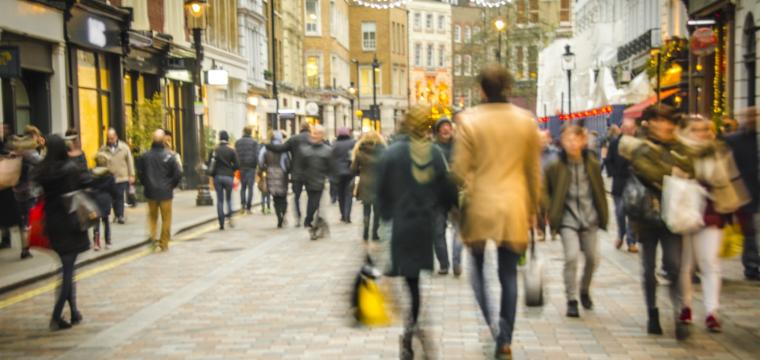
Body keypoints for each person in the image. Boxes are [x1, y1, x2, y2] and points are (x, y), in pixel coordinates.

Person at [451, 64, 541, 358]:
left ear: (480, 90)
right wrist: (534, 208)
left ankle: (491, 323)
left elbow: (460, 169)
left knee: (477, 268)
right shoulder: (526, 121)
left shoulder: (469, 120)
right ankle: (505, 338)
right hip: (514, 205)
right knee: (508, 276)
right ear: (509, 89)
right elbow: (533, 171)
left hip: (481, 204)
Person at [375, 104, 457, 359]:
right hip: (423, 225)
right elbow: (447, 188)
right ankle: (411, 329)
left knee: (406, 281)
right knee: (414, 283)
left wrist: (386, 217)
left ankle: (410, 330)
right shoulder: (432, 152)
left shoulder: (391, 153)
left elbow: (380, 193)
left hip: (400, 225)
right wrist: (449, 209)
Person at [619, 104, 693, 340]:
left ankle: (679, 313)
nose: (665, 126)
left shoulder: (680, 146)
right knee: (648, 268)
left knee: (673, 265)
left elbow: (691, 168)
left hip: (673, 214)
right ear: (648, 123)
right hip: (646, 215)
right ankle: (652, 312)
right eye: (659, 121)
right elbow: (649, 172)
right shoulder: (640, 146)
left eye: (669, 122)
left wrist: (672, 170)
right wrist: (672, 170)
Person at [677, 114, 749, 333]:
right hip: (683, 213)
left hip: (711, 212)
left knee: (710, 263)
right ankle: (685, 306)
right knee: (685, 265)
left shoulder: (719, 152)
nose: (702, 133)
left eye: (705, 129)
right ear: (687, 132)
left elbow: (730, 181)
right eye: (696, 129)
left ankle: (711, 312)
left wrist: (737, 209)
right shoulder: (678, 152)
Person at [544, 125, 608, 318]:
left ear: (583, 141)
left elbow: (599, 189)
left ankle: (584, 289)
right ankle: (571, 299)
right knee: (571, 257)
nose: (571, 143)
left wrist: (603, 214)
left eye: (575, 139)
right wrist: (550, 209)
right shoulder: (556, 165)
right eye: (567, 139)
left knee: (592, 258)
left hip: (589, 218)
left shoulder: (592, 164)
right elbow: (545, 190)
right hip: (567, 219)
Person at [32, 135, 91, 331]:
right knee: (67, 271)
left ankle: (74, 311)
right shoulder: (70, 168)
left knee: (68, 267)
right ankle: (56, 316)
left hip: (52, 222)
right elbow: (85, 181)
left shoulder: (43, 169)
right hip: (70, 221)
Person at [725, 107, 760, 280]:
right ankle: (752, 266)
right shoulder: (734, 140)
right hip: (743, 191)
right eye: (752, 116)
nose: (755, 119)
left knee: (751, 232)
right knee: (749, 232)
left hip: (751, 191)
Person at [137, 130, 181, 251]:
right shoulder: (169, 156)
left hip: (151, 192)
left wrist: (146, 184)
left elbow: (140, 173)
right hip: (166, 192)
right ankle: (164, 243)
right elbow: (177, 174)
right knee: (166, 218)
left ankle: (153, 238)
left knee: (152, 217)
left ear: (152, 139)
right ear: (163, 140)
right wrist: (171, 185)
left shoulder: (145, 156)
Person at [432, 116, 464, 276]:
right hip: (437, 196)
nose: (446, 130)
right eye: (442, 128)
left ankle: (456, 262)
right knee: (438, 232)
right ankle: (444, 264)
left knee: (459, 230)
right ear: (437, 131)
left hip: (457, 194)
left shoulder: (460, 147)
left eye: (448, 127)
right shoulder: (431, 149)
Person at [266, 122, 312, 226]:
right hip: (310, 173)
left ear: (300, 128)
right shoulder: (313, 138)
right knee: (311, 196)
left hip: (297, 173)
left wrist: (267, 145)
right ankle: (309, 219)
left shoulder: (294, 139)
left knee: (296, 197)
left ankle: (298, 218)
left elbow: (280, 148)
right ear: (309, 128)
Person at [604, 118, 639, 252]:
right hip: (619, 182)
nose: (628, 131)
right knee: (620, 212)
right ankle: (621, 234)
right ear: (622, 129)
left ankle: (631, 241)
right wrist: (613, 173)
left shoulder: (638, 144)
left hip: (634, 183)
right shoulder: (614, 143)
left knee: (633, 213)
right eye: (626, 129)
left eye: (631, 129)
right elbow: (608, 160)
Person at [295, 125, 333, 239]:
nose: (314, 135)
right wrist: (299, 178)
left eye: (317, 133)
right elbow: (300, 165)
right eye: (313, 133)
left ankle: (310, 222)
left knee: (315, 203)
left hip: (320, 181)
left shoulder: (327, 151)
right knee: (313, 203)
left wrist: (331, 177)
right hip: (308, 180)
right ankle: (314, 224)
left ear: (322, 135)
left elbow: (331, 166)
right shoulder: (305, 150)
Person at [351, 130, 386, 241]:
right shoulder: (384, 151)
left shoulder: (360, 151)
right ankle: (375, 232)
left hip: (365, 182)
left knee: (366, 209)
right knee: (377, 210)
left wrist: (360, 171)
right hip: (379, 183)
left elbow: (353, 169)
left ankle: (365, 232)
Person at [98, 129, 135, 224]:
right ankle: (117, 214)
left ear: (116, 137)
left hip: (122, 176)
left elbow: (130, 161)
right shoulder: (103, 148)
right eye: (108, 138)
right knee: (113, 196)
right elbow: (100, 162)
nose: (110, 140)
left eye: (112, 138)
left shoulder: (124, 147)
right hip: (110, 177)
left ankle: (120, 216)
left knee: (119, 196)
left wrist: (132, 175)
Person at [259, 131, 290, 227]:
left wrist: (263, 168)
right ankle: (283, 213)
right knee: (283, 197)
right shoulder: (284, 148)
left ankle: (278, 217)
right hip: (282, 174)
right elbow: (287, 162)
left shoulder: (265, 148)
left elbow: (260, 160)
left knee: (275, 198)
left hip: (270, 173)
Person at [209, 131, 239, 230]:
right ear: (227, 139)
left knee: (220, 200)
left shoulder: (215, 150)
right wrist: (231, 170)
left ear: (219, 138)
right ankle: (230, 217)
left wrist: (213, 176)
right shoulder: (231, 151)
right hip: (228, 177)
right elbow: (237, 165)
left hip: (218, 177)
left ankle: (221, 222)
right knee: (229, 199)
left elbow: (210, 165)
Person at [90, 153, 117, 251]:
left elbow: (89, 187)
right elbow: (113, 189)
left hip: (95, 199)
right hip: (106, 199)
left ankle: (96, 243)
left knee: (96, 222)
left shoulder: (91, 173)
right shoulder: (109, 175)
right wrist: (113, 199)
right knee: (106, 221)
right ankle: (108, 241)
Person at [331, 127, 356, 223]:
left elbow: (331, 158)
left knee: (341, 194)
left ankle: (342, 215)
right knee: (348, 194)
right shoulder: (352, 143)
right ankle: (347, 215)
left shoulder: (335, 144)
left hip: (338, 173)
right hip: (350, 171)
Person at [235, 125, 259, 214]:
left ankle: (242, 206)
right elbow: (257, 155)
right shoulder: (254, 142)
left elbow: (236, 155)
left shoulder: (238, 142)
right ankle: (249, 208)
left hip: (241, 167)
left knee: (243, 187)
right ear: (250, 132)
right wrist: (257, 166)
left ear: (243, 132)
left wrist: (237, 166)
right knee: (250, 188)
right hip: (251, 167)